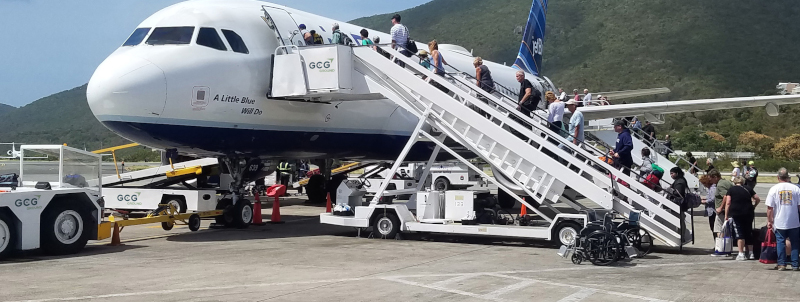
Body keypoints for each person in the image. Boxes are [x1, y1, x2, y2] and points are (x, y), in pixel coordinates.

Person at [766, 168, 800, 271]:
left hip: (779, 220)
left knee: (780, 242)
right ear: (788, 177)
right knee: (795, 243)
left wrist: (769, 220)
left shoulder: (774, 189)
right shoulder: (796, 189)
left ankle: (782, 264)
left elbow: (769, 208)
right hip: (794, 220)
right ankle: (795, 264)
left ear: (778, 177)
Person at [724, 176, 761, 260]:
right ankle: (751, 253)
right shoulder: (749, 188)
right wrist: (754, 206)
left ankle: (741, 253)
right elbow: (757, 198)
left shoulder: (731, 189)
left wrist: (726, 214)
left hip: (736, 213)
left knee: (739, 232)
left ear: (734, 182)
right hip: (748, 212)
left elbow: (728, 202)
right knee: (748, 231)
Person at [708, 169, 734, 256]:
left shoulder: (720, 185)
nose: (710, 181)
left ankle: (721, 249)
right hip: (728, 210)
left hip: (722, 212)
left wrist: (720, 207)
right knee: (727, 230)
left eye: (711, 179)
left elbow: (726, 197)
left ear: (715, 177)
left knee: (719, 229)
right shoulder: (726, 182)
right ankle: (726, 249)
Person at [700, 175, 718, 240]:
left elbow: (713, 199)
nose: (704, 185)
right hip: (711, 210)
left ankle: (717, 243)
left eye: (704, 183)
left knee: (714, 228)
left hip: (713, 211)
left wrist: (704, 201)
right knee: (712, 227)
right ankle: (716, 243)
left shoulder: (713, 188)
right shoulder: (710, 188)